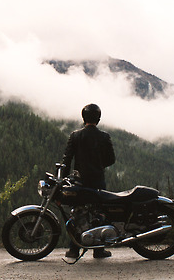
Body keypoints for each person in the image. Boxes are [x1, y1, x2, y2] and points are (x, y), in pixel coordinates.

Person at [62, 103, 116, 259]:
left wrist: (64, 177)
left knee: (77, 214)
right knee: (99, 213)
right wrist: (99, 165)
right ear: (98, 118)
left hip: (79, 181)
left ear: (83, 117)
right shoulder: (105, 137)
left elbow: (67, 159)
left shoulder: (75, 135)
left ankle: (74, 250)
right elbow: (111, 159)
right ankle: (98, 250)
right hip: (98, 181)